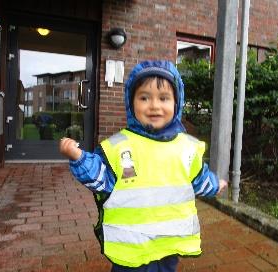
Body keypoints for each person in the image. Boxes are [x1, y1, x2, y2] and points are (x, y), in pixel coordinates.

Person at [59, 60, 228, 272]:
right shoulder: (118, 147)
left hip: (168, 246)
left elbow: (199, 179)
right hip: (130, 250)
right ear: (131, 104)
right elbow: (100, 178)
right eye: (144, 97)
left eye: (164, 98)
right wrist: (79, 157)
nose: (154, 105)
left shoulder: (187, 148)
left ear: (177, 103)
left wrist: (215, 184)